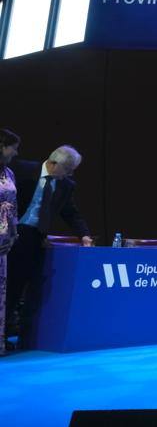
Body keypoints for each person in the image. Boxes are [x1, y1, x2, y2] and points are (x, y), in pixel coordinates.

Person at [7, 144, 91, 348]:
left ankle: (26, 337)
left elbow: (71, 213)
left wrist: (85, 235)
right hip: (12, 234)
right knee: (10, 287)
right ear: (53, 163)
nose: (70, 174)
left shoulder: (66, 185)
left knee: (32, 289)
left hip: (35, 238)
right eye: (68, 169)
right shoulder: (21, 170)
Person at [0, 129, 21, 356]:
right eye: (13, 147)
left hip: (4, 243)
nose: (16, 152)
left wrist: (13, 234)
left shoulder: (9, 173)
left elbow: (13, 205)